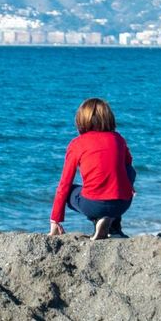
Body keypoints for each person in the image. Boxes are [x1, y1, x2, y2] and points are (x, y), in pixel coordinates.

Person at [49, 97, 135, 240]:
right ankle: (114, 228)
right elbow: (129, 168)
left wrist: (55, 219)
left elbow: (64, 184)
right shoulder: (119, 139)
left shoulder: (77, 144)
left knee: (70, 191)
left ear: (81, 120)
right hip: (122, 204)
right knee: (127, 172)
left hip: (94, 205)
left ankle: (99, 221)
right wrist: (129, 187)